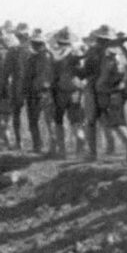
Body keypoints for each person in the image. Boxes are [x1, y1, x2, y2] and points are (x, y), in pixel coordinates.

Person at [82, 25, 127, 163]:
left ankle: (92, 153)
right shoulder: (119, 53)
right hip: (116, 91)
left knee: (90, 122)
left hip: (97, 91)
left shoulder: (94, 53)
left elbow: (86, 72)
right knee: (117, 122)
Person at [50, 28, 86, 158]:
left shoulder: (56, 54)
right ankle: (79, 149)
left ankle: (62, 151)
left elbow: (52, 75)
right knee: (76, 122)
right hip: (76, 90)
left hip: (60, 91)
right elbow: (83, 73)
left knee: (59, 120)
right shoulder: (78, 53)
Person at [24, 33, 55, 153]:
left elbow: (43, 77)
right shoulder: (41, 56)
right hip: (40, 92)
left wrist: (40, 90)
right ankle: (43, 146)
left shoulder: (43, 57)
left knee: (39, 120)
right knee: (44, 121)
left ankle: (40, 146)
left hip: (39, 92)